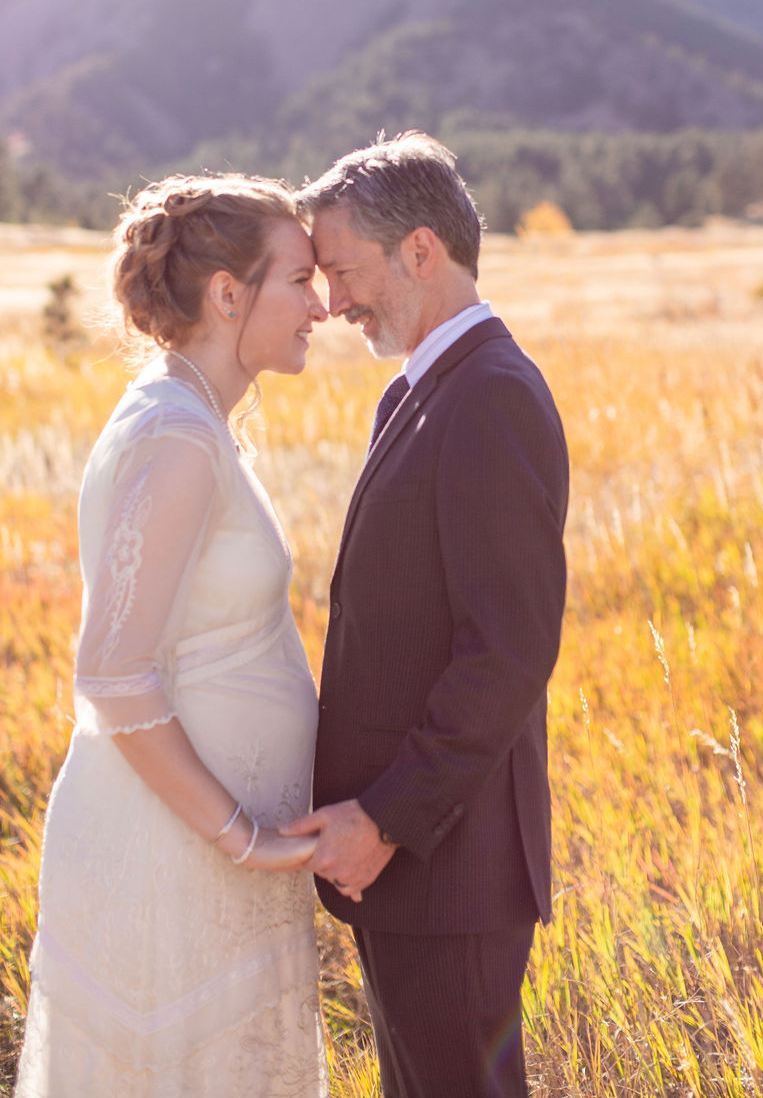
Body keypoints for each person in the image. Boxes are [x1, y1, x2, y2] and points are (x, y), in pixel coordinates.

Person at [14, 174, 330, 1098]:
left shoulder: (193, 418)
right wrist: (245, 841)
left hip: (209, 865)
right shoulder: (176, 437)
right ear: (228, 294)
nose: (321, 305)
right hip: (173, 866)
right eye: (299, 280)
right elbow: (114, 675)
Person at [284, 133, 568, 1098]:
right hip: (417, 871)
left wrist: (386, 819)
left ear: (419, 251)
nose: (332, 302)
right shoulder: (422, 390)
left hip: (450, 861)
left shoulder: (489, 396)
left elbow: (509, 654)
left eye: (343, 271)